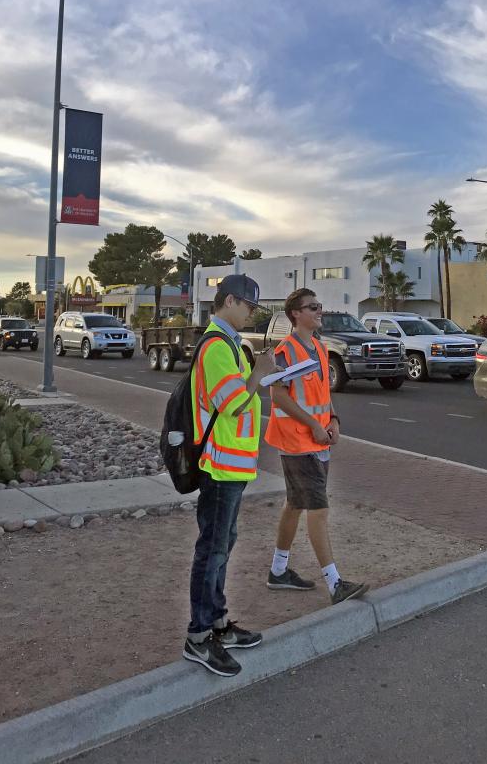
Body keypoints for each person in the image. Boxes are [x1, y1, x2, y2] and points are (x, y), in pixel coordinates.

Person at [184, 273, 278, 677]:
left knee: (222, 545)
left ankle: (218, 623)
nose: (252, 314)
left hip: (232, 465)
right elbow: (233, 404)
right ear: (228, 302)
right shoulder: (216, 347)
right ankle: (199, 636)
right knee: (213, 549)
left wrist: (260, 373)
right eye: (249, 306)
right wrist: (259, 374)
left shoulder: (229, 345)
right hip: (219, 466)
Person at [265, 288, 368, 605]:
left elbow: (324, 392)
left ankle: (278, 571)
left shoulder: (320, 348)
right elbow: (278, 395)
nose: (319, 311)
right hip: (298, 442)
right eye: (313, 307)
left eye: (320, 305)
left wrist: (333, 420)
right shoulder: (284, 351)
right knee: (318, 509)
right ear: (295, 313)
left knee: (295, 504)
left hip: (317, 439)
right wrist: (312, 425)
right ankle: (335, 584)